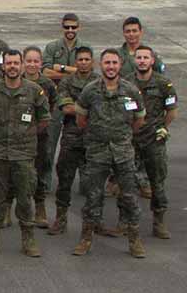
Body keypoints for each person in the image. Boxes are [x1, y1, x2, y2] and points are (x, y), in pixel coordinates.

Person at [72, 49, 147, 258]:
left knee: (130, 197)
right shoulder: (90, 91)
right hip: (97, 152)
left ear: (120, 65)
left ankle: (134, 240)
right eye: (107, 63)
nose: (111, 66)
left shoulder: (131, 91)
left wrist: (122, 135)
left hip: (123, 152)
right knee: (93, 197)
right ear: (100, 65)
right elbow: (81, 120)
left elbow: (139, 120)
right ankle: (86, 238)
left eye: (114, 62)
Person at [0, 50, 50, 258]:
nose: (13, 67)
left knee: (25, 197)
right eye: (9, 63)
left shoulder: (34, 91)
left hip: (23, 153)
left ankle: (28, 239)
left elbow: (44, 119)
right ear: (3, 66)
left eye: (16, 63)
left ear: (23, 65)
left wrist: (26, 135)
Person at [48, 46, 99, 236]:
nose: (84, 62)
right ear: (75, 62)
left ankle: (95, 221)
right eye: (81, 59)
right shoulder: (67, 82)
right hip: (71, 137)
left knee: (94, 184)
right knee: (64, 180)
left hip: (94, 139)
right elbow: (66, 108)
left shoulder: (99, 82)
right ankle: (60, 219)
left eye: (87, 59)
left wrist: (79, 107)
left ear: (92, 62)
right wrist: (91, 109)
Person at [40, 13, 88, 211]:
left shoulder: (85, 48)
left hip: (75, 102)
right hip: (54, 101)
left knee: (81, 144)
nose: (70, 31)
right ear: (62, 27)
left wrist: (58, 69)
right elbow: (45, 72)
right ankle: (43, 183)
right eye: (67, 27)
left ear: (78, 28)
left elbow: (85, 71)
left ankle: (87, 184)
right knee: (49, 143)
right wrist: (71, 69)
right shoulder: (52, 47)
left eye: (73, 27)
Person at [131, 45, 178, 240]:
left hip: (153, 140)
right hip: (132, 139)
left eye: (145, 58)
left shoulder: (164, 84)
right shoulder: (127, 84)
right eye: (139, 57)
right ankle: (126, 221)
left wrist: (163, 128)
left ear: (152, 61)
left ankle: (159, 222)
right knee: (128, 182)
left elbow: (172, 111)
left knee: (157, 182)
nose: (142, 60)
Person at [23, 47, 57, 228]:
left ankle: (40, 207)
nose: (32, 64)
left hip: (40, 135)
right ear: (23, 62)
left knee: (40, 170)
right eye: (28, 61)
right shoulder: (16, 81)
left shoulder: (48, 85)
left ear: (41, 63)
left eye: (36, 61)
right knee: (14, 172)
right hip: (18, 136)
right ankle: (7, 208)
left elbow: (51, 107)